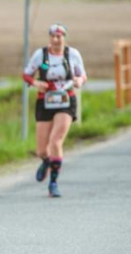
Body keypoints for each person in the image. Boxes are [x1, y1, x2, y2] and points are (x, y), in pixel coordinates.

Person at [22, 23, 87, 198]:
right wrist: (36, 83)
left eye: (59, 36)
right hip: (45, 101)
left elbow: (82, 75)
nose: (56, 40)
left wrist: (79, 81)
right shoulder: (40, 54)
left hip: (66, 100)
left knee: (55, 142)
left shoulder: (72, 54)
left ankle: (53, 183)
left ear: (64, 38)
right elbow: (26, 74)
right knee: (42, 149)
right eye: (53, 36)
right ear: (49, 38)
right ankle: (45, 161)